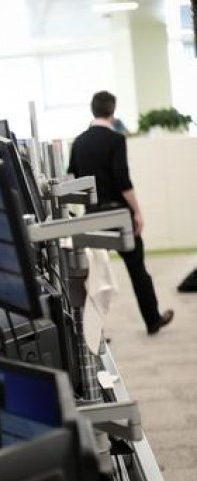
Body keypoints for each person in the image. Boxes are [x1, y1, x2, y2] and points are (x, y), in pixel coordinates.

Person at [68, 91, 173, 335]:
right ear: (112, 111)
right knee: (137, 269)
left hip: (92, 216)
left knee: (92, 276)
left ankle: (95, 334)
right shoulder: (116, 139)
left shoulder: (79, 142)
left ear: (92, 110)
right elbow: (122, 179)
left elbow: (73, 175)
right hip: (117, 215)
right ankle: (152, 320)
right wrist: (137, 211)